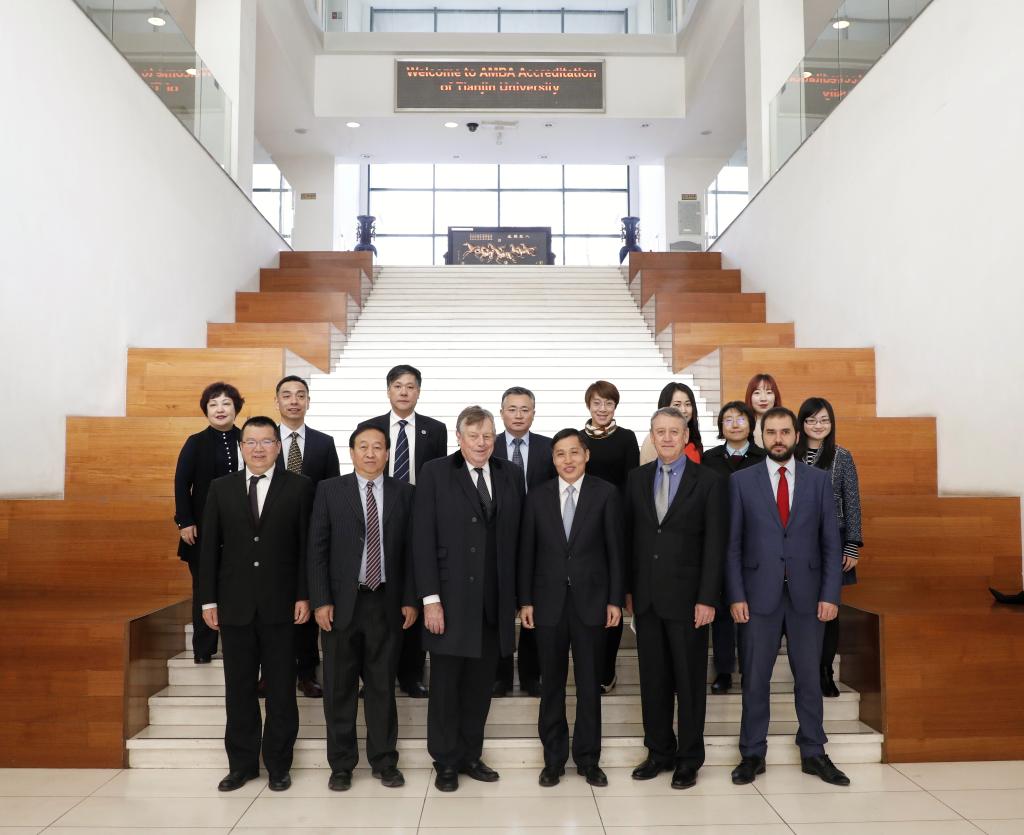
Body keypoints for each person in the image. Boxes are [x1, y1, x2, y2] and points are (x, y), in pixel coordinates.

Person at [725, 407, 850, 787]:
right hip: (757, 597)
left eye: (784, 432)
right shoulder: (741, 482)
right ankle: (752, 753)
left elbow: (831, 544)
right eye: (771, 432)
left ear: (796, 436)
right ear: (761, 436)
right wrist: (735, 595)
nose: (778, 439)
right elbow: (732, 545)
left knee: (809, 678)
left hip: (808, 597)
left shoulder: (818, 481)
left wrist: (830, 594)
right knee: (754, 679)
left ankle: (814, 751)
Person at [198, 416, 314, 793]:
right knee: (239, 690)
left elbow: (306, 548)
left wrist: (304, 594)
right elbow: (209, 548)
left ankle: (279, 765)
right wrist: (208, 600)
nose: (258, 448)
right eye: (251, 441)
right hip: (235, 606)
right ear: (241, 447)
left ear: (278, 447)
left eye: (266, 441)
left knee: (281, 691)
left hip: (282, 606)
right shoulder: (221, 488)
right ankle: (242, 765)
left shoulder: (299, 487)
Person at [414, 406, 525, 792]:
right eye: (474, 436)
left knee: (480, 687)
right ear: (458, 438)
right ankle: (445, 760)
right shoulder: (435, 473)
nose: (481, 443)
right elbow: (422, 538)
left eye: (488, 436)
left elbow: (518, 538)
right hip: (449, 600)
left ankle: (470, 755)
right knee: (445, 687)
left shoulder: (511, 474)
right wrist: (430, 599)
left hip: (493, 602)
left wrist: (519, 596)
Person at [307, 425, 417, 792]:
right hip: (341, 604)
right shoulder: (329, 490)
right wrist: (321, 600)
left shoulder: (405, 493)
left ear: (388, 453)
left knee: (382, 686)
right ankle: (341, 765)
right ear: (351, 452)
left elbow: (412, 553)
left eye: (378, 447)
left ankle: (385, 761)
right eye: (363, 447)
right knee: (339, 688)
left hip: (386, 601)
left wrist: (410, 599)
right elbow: (317, 549)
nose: (370, 453)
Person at [625, 407, 725, 790]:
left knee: (689, 682)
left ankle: (689, 759)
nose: (666, 438)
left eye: (673, 432)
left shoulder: (709, 481)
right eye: (660, 432)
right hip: (648, 599)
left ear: (686, 436)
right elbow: (631, 538)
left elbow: (715, 544)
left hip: (689, 601)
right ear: (652, 436)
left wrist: (707, 598)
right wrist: (629, 591)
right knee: (653, 681)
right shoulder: (636, 479)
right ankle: (659, 752)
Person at [518, 428, 624, 788]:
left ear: (586, 455)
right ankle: (553, 760)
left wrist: (615, 599)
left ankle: (589, 759)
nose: (568, 460)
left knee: (589, 685)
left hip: (592, 603)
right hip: (547, 604)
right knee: (551, 684)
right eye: (560, 454)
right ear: (553, 458)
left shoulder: (606, 494)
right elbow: (527, 552)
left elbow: (616, 551)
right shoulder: (537, 497)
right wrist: (525, 600)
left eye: (574, 452)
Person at [360, 364, 449, 699]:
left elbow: (438, 476)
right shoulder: (369, 427)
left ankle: (412, 675)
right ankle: (373, 675)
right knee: (377, 600)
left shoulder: (435, 429)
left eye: (410, 386)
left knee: (414, 591)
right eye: (398, 386)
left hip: (417, 516)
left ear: (418, 392)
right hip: (377, 517)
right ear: (388, 390)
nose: (404, 392)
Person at [274, 375, 341, 699]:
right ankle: (271, 672)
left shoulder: (323, 443)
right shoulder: (264, 440)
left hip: (311, 535)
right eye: (287, 395)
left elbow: (333, 491)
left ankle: (306, 673)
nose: (294, 401)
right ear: (277, 401)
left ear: (308, 401)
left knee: (309, 603)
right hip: (271, 535)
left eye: (300, 395)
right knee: (272, 606)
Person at [794, 397, 864, 699]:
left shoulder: (842, 456)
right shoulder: (791, 454)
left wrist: (852, 545)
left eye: (824, 420)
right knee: (800, 606)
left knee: (829, 608)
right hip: (797, 543)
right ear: (802, 424)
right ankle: (804, 668)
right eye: (811, 420)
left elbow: (853, 502)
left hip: (833, 541)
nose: (818, 425)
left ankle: (825, 670)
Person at [491, 385, 555, 697]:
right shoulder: (488, 445)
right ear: (501, 412)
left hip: (540, 541)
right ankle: (500, 676)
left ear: (533, 413)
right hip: (499, 539)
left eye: (524, 409)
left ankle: (531, 675)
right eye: (512, 409)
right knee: (501, 607)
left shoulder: (549, 447)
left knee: (535, 607)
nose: (518, 415)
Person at [173, 382, 244, 664]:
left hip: (239, 529)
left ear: (236, 408)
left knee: (236, 587)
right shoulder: (195, 442)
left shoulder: (246, 439)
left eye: (226, 403)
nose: (220, 409)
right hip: (201, 529)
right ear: (206, 410)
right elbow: (181, 483)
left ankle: (236, 645)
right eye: (213, 404)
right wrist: (184, 521)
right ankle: (204, 649)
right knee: (204, 587)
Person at [701, 401, 766, 695]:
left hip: (755, 543)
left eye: (741, 418)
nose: (735, 424)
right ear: (720, 426)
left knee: (754, 608)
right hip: (721, 541)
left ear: (751, 424)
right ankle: (724, 669)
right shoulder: (709, 458)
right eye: (728, 419)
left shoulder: (763, 458)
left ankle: (752, 669)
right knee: (723, 609)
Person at [581, 380, 639, 694]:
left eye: (609, 403)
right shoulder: (577, 439)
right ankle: (590, 665)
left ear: (615, 406)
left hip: (615, 526)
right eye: (597, 403)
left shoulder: (626, 437)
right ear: (588, 405)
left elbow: (631, 484)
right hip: (584, 528)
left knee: (612, 597)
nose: (603, 409)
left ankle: (607, 667)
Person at [639, 382, 703, 465]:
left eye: (688, 404)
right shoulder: (655, 439)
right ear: (665, 406)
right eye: (677, 405)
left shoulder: (692, 436)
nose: (683, 410)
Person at [744, 373, 783, 449]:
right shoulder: (743, 425)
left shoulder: (786, 423)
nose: (763, 399)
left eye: (769, 392)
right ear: (749, 397)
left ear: (775, 397)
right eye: (757, 393)